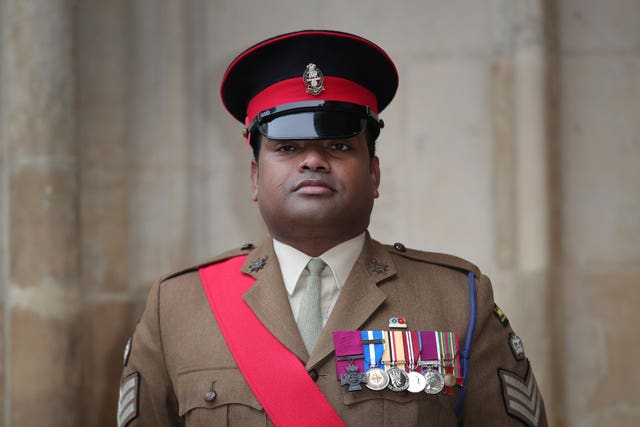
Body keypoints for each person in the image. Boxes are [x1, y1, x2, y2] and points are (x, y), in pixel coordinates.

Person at [117, 30, 547, 427]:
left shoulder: (458, 300)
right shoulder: (176, 306)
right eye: (288, 148)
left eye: (339, 146)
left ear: (374, 174)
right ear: (253, 178)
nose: (313, 161)